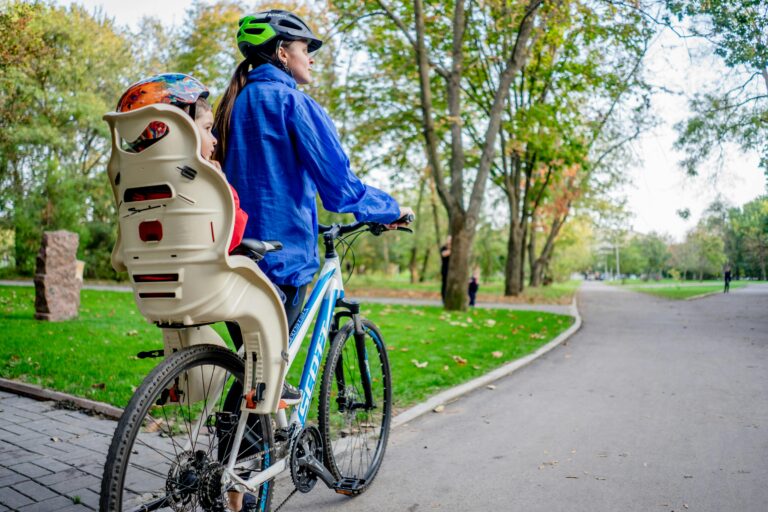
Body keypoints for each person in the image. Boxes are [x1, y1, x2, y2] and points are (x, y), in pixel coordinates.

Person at [213, 9, 413, 330]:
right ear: (281, 52)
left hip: (231, 258)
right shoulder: (293, 103)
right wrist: (390, 210)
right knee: (268, 374)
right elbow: (340, 191)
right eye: (305, 49)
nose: (312, 59)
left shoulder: (228, 107)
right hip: (280, 262)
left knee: (250, 369)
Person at [116, 73, 248, 255]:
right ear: (183, 130)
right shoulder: (206, 185)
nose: (214, 139)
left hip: (147, 275)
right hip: (205, 278)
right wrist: (223, 185)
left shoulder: (132, 183)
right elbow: (230, 240)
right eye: (207, 128)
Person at [440, 236, 452, 301]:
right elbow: (444, 254)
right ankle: (444, 298)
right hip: (445, 269)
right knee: (445, 284)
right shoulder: (443, 248)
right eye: (449, 240)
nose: (450, 241)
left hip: (453, 270)